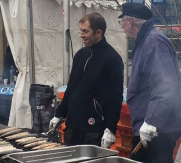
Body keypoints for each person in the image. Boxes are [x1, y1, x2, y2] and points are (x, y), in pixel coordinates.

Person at [119, 2, 181, 163]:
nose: (122, 26)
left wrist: (151, 121)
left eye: (122, 22)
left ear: (130, 21)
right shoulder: (145, 41)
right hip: (150, 128)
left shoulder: (153, 42)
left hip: (158, 130)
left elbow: (165, 86)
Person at [49, 12, 124, 148]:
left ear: (98, 32)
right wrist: (59, 114)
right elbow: (71, 87)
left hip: (93, 129)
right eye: (81, 31)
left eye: (85, 31)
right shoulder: (81, 55)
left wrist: (110, 128)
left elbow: (115, 96)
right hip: (72, 125)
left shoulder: (112, 59)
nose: (82, 35)